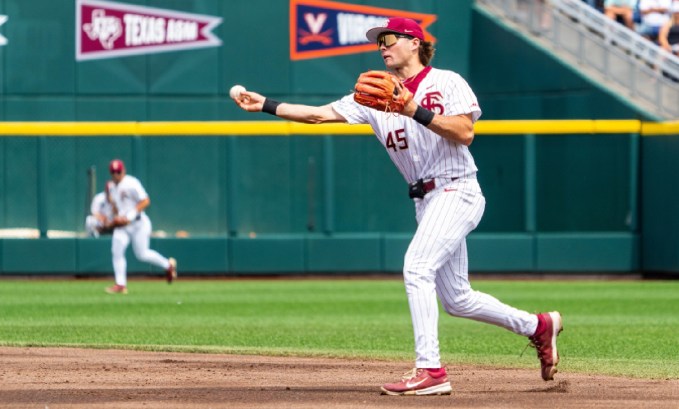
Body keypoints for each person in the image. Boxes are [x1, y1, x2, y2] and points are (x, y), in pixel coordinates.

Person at [232, 17, 563, 396]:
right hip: (425, 200)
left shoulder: (447, 82)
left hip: (458, 189)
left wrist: (413, 109)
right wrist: (266, 106)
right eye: (379, 42)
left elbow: (465, 133)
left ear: (415, 42)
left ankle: (431, 371)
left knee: (417, 267)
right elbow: (318, 113)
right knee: (457, 299)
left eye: (389, 39)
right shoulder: (375, 95)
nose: (383, 46)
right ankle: (538, 326)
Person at [105, 159, 177, 294]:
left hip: (139, 224)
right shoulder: (111, 187)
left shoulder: (131, 182)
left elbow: (145, 201)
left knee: (142, 254)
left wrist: (130, 215)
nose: (116, 175)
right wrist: (114, 218)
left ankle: (168, 265)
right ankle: (120, 284)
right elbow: (117, 208)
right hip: (123, 226)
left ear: (123, 171)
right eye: (113, 172)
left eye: (118, 172)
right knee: (116, 251)